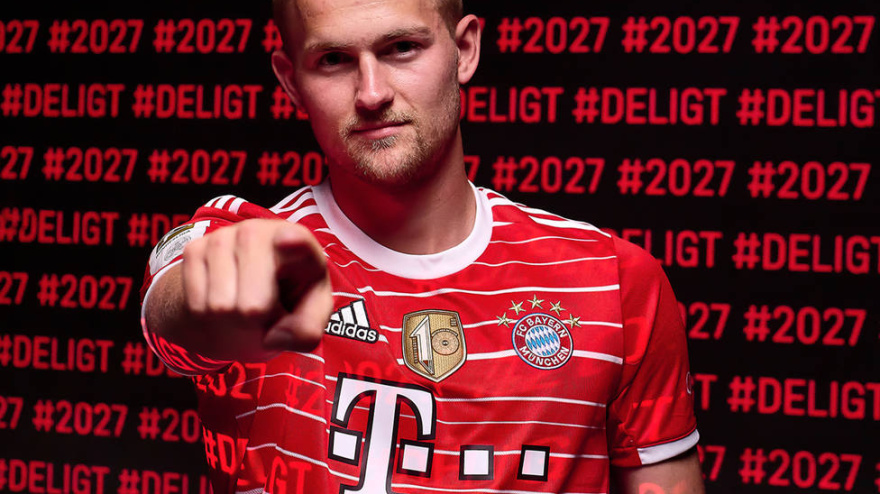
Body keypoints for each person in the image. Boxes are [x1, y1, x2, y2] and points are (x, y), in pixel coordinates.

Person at [140, 0, 706, 492]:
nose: (372, 93)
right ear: (291, 81)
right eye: (333, 60)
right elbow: (174, 301)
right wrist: (213, 298)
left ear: (465, 50)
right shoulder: (256, 243)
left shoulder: (610, 279)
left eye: (402, 48)